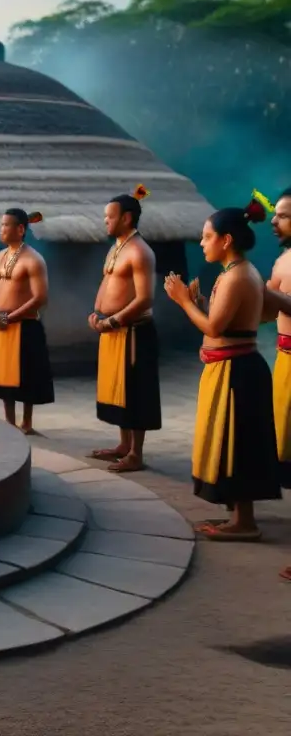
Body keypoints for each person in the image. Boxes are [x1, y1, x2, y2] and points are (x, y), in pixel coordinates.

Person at [164, 196, 280, 541]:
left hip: (238, 372)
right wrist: (199, 303)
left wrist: (184, 301)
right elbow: (227, 321)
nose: (201, 243)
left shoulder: (238, 275)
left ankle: (245, 523)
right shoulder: (236, 273)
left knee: (238, 443)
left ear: (225, 239)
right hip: (232, 369)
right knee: (230, 442)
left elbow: (214, 329)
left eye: (206, 236)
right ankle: (238, 517)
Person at [87, 184, 162, 472]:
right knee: (117, 389)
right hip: (111, 329)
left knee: (135, 391)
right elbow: (107, 284)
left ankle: (136, 454)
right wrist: (97, 314)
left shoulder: (141, 251)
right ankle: (122, 445)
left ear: (126, 218)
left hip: (133, 331)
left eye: (110, 217)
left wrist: (114, 320)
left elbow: (145, 298)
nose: (105, 221)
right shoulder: (117, 248)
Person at [0, 209, 54, 433]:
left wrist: (9, 317)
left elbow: (40, 297)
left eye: (6, 225)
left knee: (27, 375)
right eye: (1, 224)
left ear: (20, 229)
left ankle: (27, 423)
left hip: (24, 325)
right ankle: (10, 422)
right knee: (3, 377)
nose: (1, 229)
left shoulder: (33, 260)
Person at [256, 188, 291, 577]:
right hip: (285, 360)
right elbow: (271, 313)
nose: (274, 221)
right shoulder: (283, 259)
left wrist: (267, 294)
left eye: (282, 215)